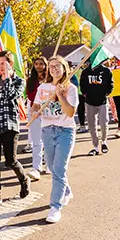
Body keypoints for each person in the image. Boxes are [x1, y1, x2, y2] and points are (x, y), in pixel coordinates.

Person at [0, 51, 31, 208]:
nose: (1, 67)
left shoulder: (18, 81)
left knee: (10, 160)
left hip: (9, 125)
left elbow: (11, 96)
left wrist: (7, 77)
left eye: (4, 64)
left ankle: (24, 179)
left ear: (10, 64)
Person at [32, 56, 79, 223]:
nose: (54, 69)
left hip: (65, 131)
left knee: (59, 168)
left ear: (64, 68)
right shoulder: (43, 87)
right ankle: (66, 191)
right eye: (51, 67)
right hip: (47, 130)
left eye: (57, 66)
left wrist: (60, 95)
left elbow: (70, 112)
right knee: (52, 167)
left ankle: (55, 207)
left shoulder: (70, 88)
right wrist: (35, 111)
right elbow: (36, 106)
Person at [80, 58, 114, 155]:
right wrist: (85, 93)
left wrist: (107, 93)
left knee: (104, 122)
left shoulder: (106, 71)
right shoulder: (85, 72)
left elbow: (111, 84)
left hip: (102, 101)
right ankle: (95, 146)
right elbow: (82, 84)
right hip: (89, 101)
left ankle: (104, 141)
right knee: (91, 125)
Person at [24, 56, 48, 180]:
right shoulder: (31, 80)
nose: (39, 66)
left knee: (48, 140)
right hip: (35, 111)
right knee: (36, 141)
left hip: (49, 112)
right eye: (36, 64)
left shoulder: (50, 79)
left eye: (41, 64)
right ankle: (36, 167)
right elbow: (30, 95)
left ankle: (49, 164)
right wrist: (40, 88)